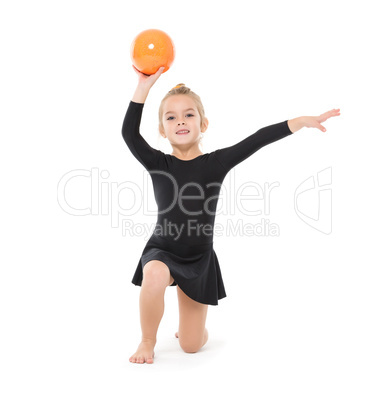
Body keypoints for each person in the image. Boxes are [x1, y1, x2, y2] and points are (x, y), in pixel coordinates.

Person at [122, 65, 340, 364]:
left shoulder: (216, 163)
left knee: (191, 346)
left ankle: (197, 331)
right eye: (171, 117)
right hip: (163, 248)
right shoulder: (158, 163)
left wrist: (300, 121)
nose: (180, 121)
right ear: (162, 129)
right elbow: (129, 135)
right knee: (155, 274)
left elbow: (257, 138)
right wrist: (143, 88)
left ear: (203, 123)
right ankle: (147, 341)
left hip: (198, 259)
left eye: (189, 114)